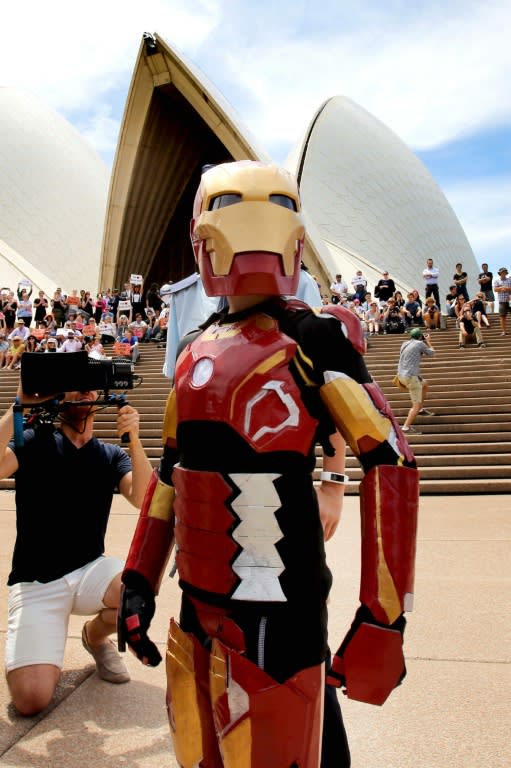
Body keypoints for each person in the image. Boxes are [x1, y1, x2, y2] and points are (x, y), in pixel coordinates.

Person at [117, 161, 419, 768]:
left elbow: (390, 461)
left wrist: (385, 619)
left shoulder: (312, 339)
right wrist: (139, 580)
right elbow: (175, 475)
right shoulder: (198, 347)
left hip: (276, 604)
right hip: (200, 601)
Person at [0, 376, 153, 716]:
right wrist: (19, 405)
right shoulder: (34, 439)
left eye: (89, 383)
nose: (84, 388)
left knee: (137, 591)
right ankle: (32, 651)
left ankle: (95, 637)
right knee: (30, 700)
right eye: (74, 381)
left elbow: (143, 499)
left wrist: (135, 439)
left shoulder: (110, 454)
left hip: (89, 571)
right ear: (58, 395)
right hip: (37, 581)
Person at [396, 327, 436, 433]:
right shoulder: (420, 344)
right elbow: (432, 353)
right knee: (415, 406)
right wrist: (428, 342)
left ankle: (421, 409)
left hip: (402, 375)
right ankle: (406, 427)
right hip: (411, 378)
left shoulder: (404, 343)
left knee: (425, 384)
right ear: (420, 336)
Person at [493, 267, 511, 336]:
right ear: (500, 273)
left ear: (506, 273)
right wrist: (501, 288)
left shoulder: (509, 280)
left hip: (509, 300)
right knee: (502, 316)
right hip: (502, 301)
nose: (503, 273)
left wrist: (506, 288)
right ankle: (504, 331)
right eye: (502, 272)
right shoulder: (497, 281)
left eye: (504, 272)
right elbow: (495, 289)